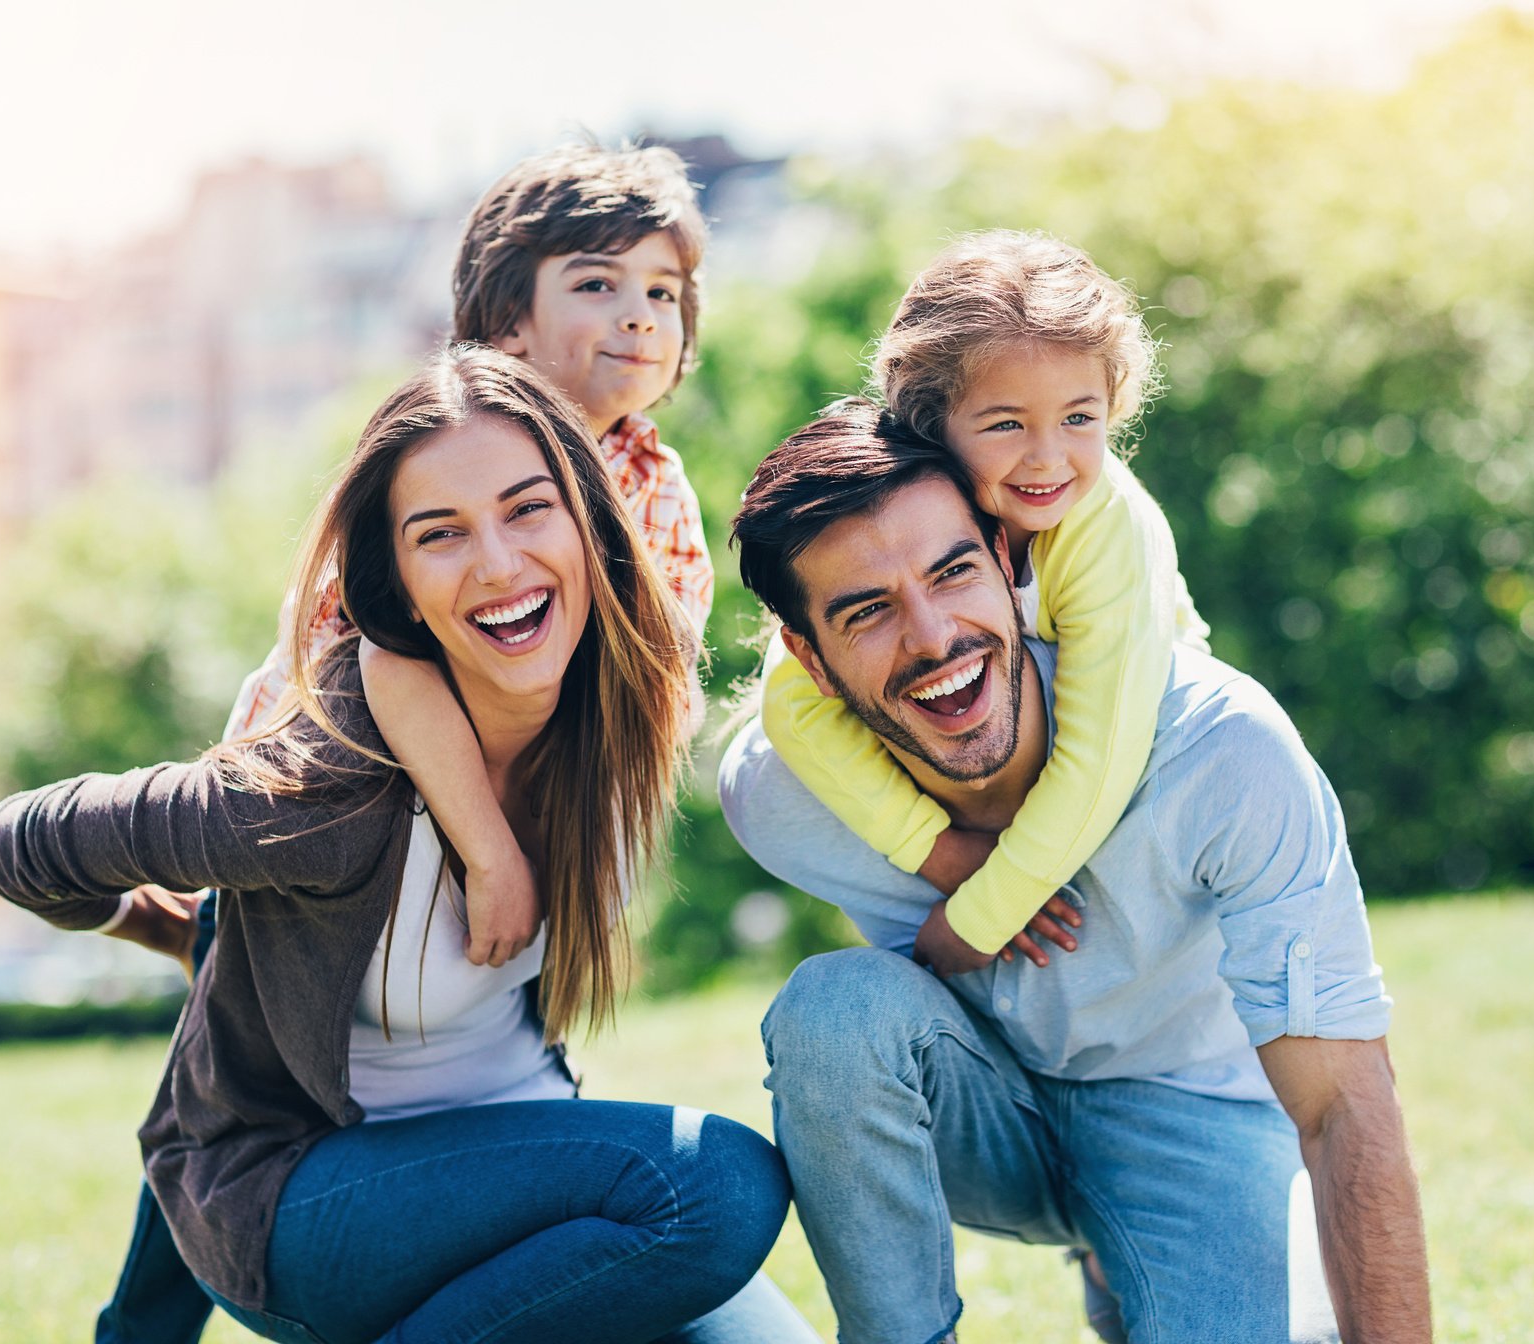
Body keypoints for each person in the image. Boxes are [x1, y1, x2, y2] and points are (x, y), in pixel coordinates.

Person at [0, 347, 815, 1344]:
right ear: (401, 585)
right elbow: (12, 845)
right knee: (715, 1188)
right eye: (440, 534)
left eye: (528, 509)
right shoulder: (326, 787)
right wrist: (175, 928)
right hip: (309, 1197)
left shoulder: (628, 705)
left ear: (590, 521)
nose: (499, 565)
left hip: (514, 1161)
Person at [87, 142, 727, 1343]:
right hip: (330, 835)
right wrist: (490, 846)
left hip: (500, 830)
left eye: (663, 292)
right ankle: (149, 1314)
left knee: (502, 1052)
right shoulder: (444, 450)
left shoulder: (654, 487)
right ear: (507, 323)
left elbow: (657, 669)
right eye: (595, 284)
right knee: (233, 1075)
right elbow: (377, 668)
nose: (639, 316)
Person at [722, 402, 1433, 1343]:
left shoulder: (1220, 751)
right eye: (868, 611)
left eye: (954, 572)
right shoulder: (780, 799)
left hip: (1191, 1116)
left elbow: (1346, 1102)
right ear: (808, 660)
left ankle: (1133, 1253)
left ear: (1011, 564)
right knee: (834, 1010)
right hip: (988, 1107)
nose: (933, 638)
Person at [758, 231, 1210, 979]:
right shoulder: (913, 513)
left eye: (1080, 418)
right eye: (1006, 423)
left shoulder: (1109, 531)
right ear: (929, 425)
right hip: (994, 798)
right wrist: (941, 856)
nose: (1046, 457)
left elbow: (1099, 764)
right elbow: (791, 698)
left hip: (1147, 762)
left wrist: (976, 920)